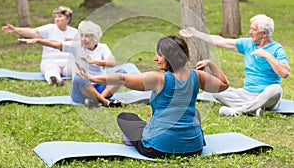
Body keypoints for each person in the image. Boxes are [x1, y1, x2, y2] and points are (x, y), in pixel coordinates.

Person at [75, 36, 229, 158]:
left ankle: (138, 138)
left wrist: (92, 78)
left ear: (169, 57)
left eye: (159, 55)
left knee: (126, 117)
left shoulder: (159, 79)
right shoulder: (198, 76)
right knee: (194, 113)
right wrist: (210, 63)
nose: (155, 58)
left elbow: (123, 79)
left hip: (159, 148)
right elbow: (224, 84)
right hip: (194, 148)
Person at [179, 14, 290, 117]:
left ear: (264, 33)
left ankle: (239, 110)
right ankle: (254, 109)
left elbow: (285, 73)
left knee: (276, 89)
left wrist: (267, 55)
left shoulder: (277, 49)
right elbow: (221, 41)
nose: (250, 32)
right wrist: (196, 33)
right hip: (246, 94)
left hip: (267, 95)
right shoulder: (248, 44)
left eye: (253, 29)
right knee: (215, 90)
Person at [19, 20, 123, 107]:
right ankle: (105, 102)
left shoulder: (102, 47)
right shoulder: (76, 46)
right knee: (79, 77)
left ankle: (98, 100)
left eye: (87, 36)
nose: (83, 39)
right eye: (81, 35)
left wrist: (92, 61)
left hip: (99, 86)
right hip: (82, 91)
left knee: (122, 73)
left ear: (95, 38)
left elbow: (112, 63)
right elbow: (56, 44)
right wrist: (39, 41)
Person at [2, 6, 78, 86]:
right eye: (55, 17)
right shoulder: (49, 28)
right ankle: (55, 79)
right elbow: (32, 32)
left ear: (68, 19)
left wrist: (74, 41)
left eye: (60, 16)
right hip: (50, 60)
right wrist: (15, 30)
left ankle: (78, 81)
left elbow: (86, 44)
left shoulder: (74, 32)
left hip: (68, 61)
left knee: (75, 68)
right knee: (51, 69)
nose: (57, 19)